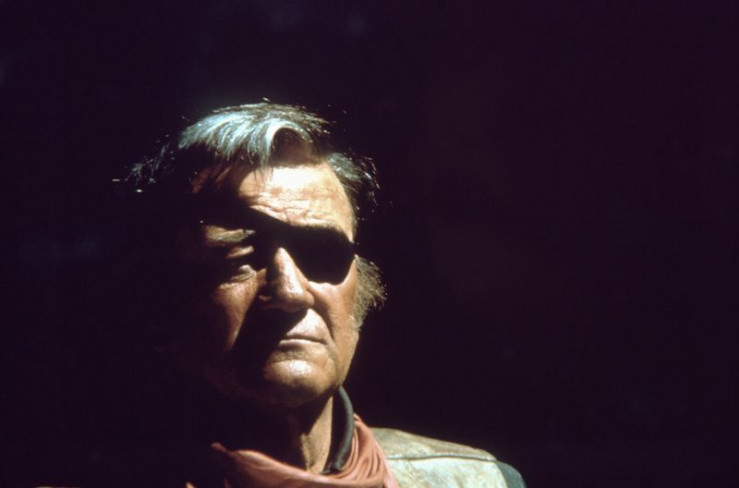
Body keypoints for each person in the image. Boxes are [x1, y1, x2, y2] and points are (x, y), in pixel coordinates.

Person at [104, 103, 525, 487]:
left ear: (362, 292)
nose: (290, 292)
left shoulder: (475, 481)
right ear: (163, 300)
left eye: (322, 253)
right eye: (236, 258)